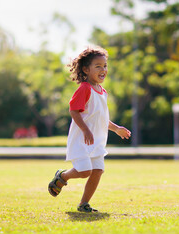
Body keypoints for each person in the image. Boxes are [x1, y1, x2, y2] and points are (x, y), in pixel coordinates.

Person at [48, 46, 131, 213]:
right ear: (86, 69)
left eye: (105, 65)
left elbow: (101, 118)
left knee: (98, 171)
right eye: (98, 66)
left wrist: (116, 129)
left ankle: (83, 204)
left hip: (97, 141)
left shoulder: (103, 92)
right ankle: (62, 176)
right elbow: (73, 110)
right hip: (82, 139)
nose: (103, 69)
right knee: (85, 171)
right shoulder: (85, 88)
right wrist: (85, 130)